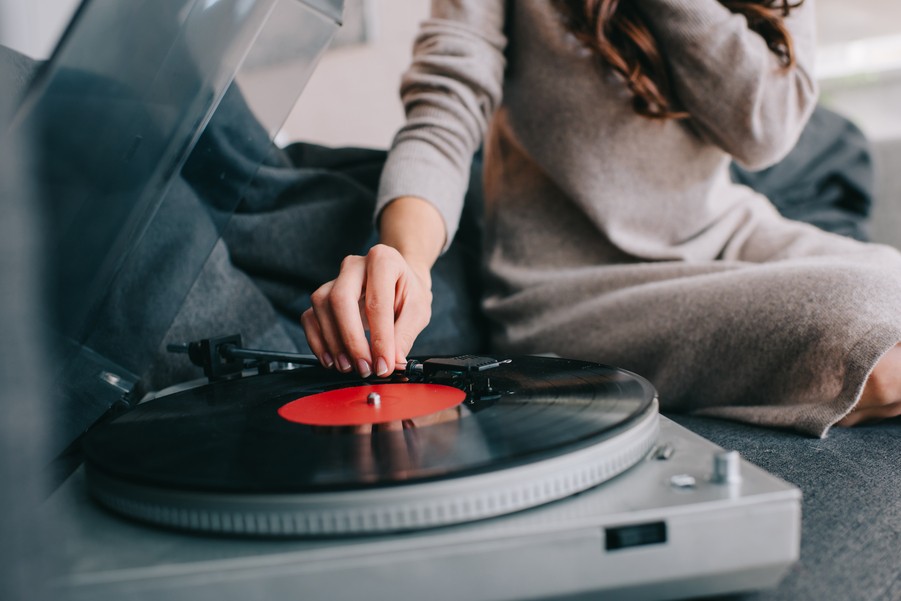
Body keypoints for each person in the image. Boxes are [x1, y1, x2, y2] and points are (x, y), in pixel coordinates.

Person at [301, 0, 901, 436]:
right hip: (572, 284)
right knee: (870, 329)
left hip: (734, 230)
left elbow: (765, 132)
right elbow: (446, 106)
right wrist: (405, 259)